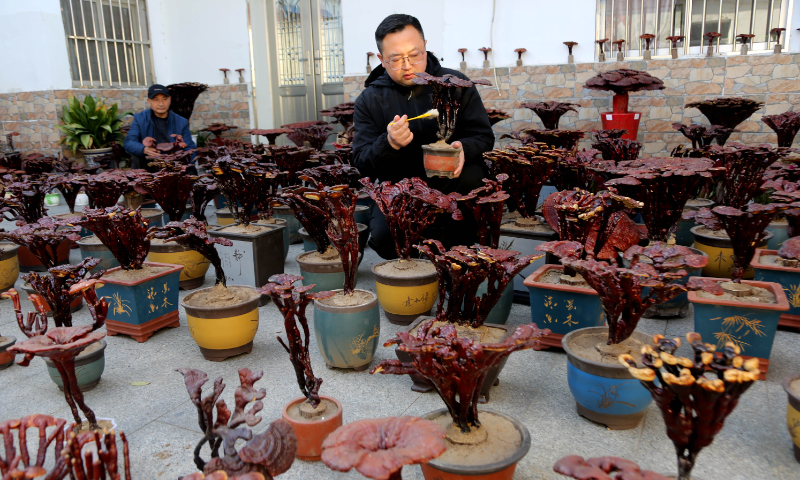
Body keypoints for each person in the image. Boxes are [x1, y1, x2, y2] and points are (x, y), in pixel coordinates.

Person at [352, 14, 495, 260]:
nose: (407, 65)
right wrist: (388, 143)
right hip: (400, 187)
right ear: (381, 60)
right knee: (386, 240)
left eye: (415, 55)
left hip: (453, 179)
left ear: (426, 47)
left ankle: (455, 256)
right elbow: (361, 161)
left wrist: (464, 149)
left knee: (471, 190)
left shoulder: (455, 85)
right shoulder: (370, 99)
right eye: (395, 59)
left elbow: (483, 137)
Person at [123, 84, 196, 169]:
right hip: (149, 162)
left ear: (170, 100)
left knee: (190, 168)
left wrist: (186, 165)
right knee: (136, 157)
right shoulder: (140, 119)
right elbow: (129, 142)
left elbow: (190, 147)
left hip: (173, 163)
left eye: (164, 99)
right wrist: (144, 149)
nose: (161, 104)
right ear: (149, 101)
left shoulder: (181, 122)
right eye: (156, 100)